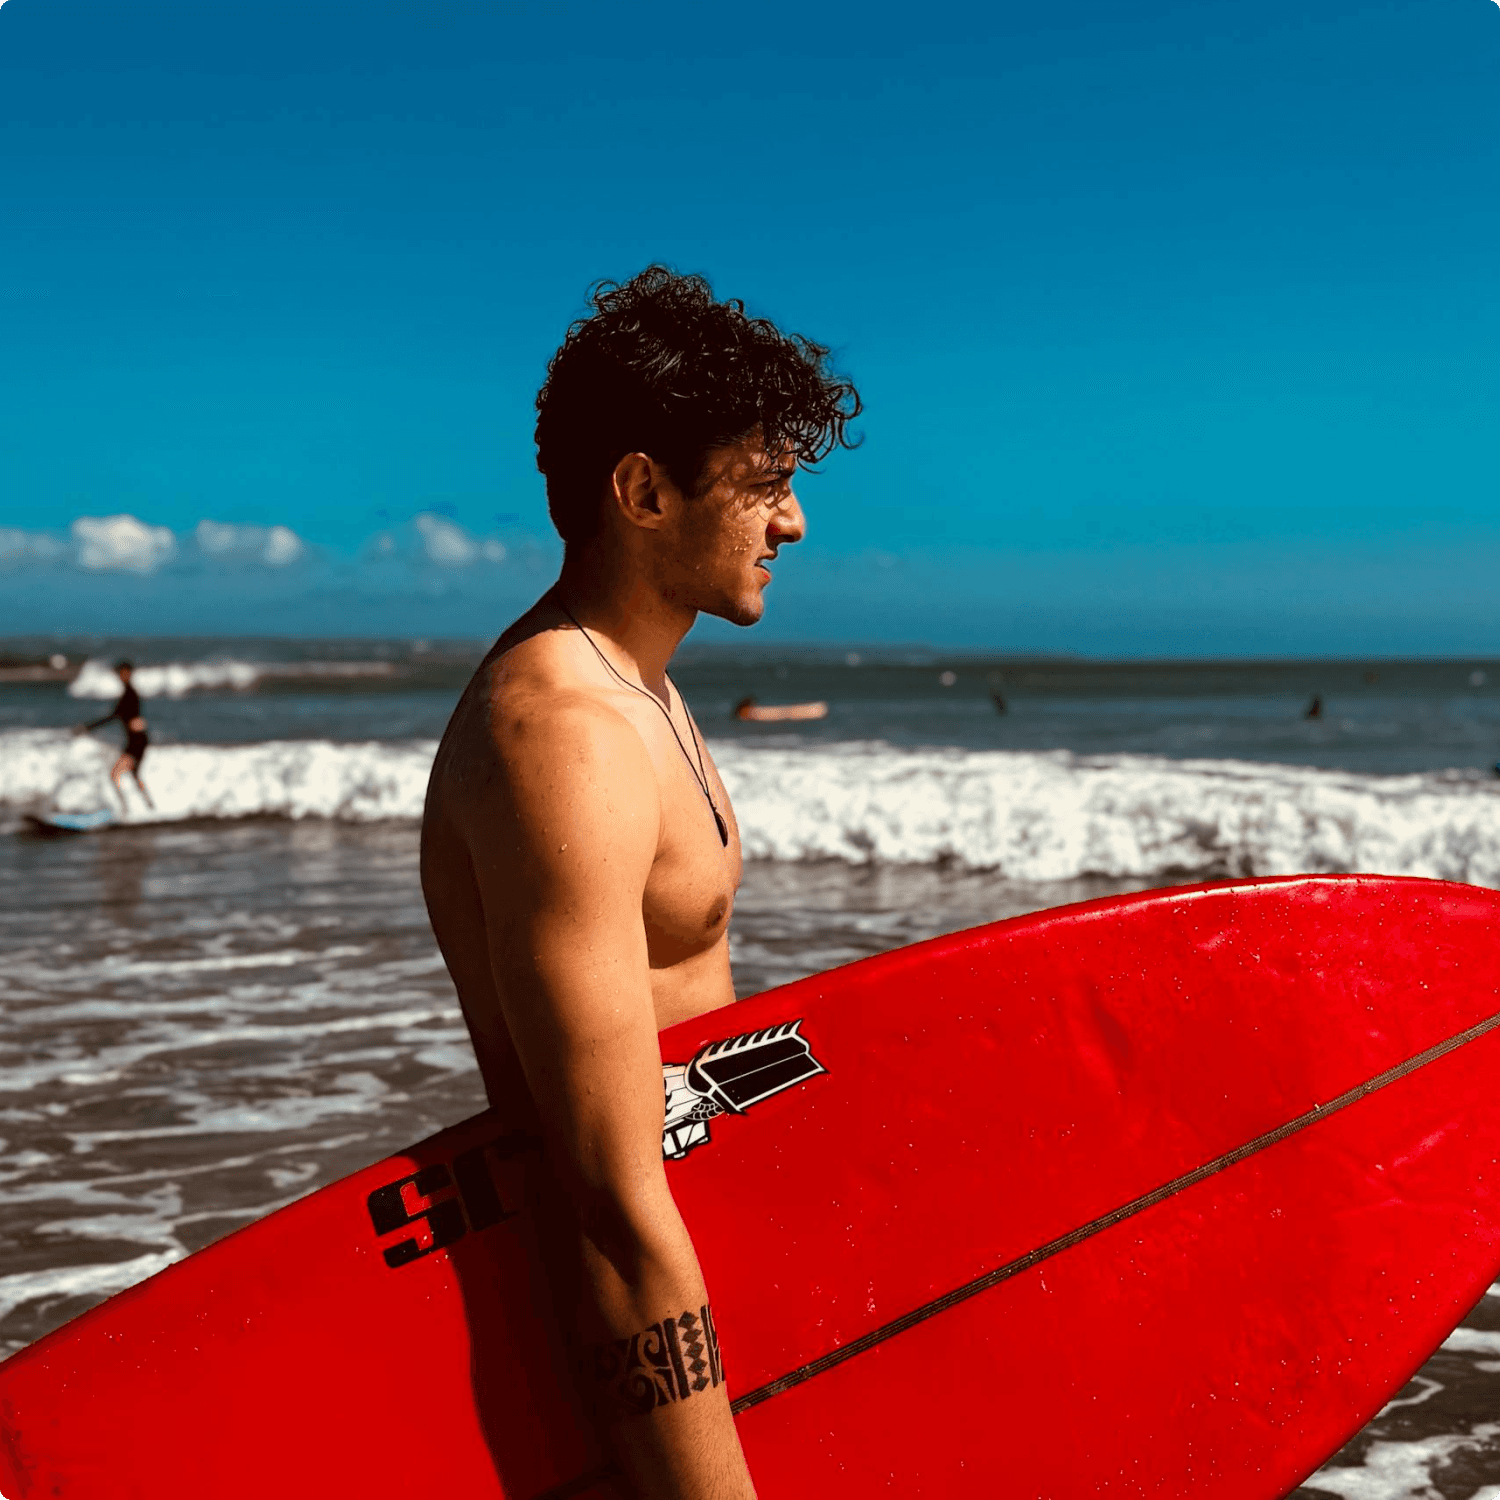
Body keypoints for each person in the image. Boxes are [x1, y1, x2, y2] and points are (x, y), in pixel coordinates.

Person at [421, 267, 860, 1498]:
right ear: (643, 491)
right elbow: (607, 1198)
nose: (794, 525)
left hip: (722, 1328)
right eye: (765, 484)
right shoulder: (560, 734)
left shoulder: (641, 690)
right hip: (644, 1395)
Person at [78, 659, 155, 811]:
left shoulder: (130, 695)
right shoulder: (129, 694)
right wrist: (89, 727)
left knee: (115, 775)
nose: (121, 676)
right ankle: (149, 807)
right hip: (136, 741)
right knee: (133, 775)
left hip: (137, 742)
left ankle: (126, 810)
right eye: (120, 673)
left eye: (124, 673)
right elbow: (118, 716)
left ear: (130, 674)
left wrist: (88, 727)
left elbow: (115, 716)